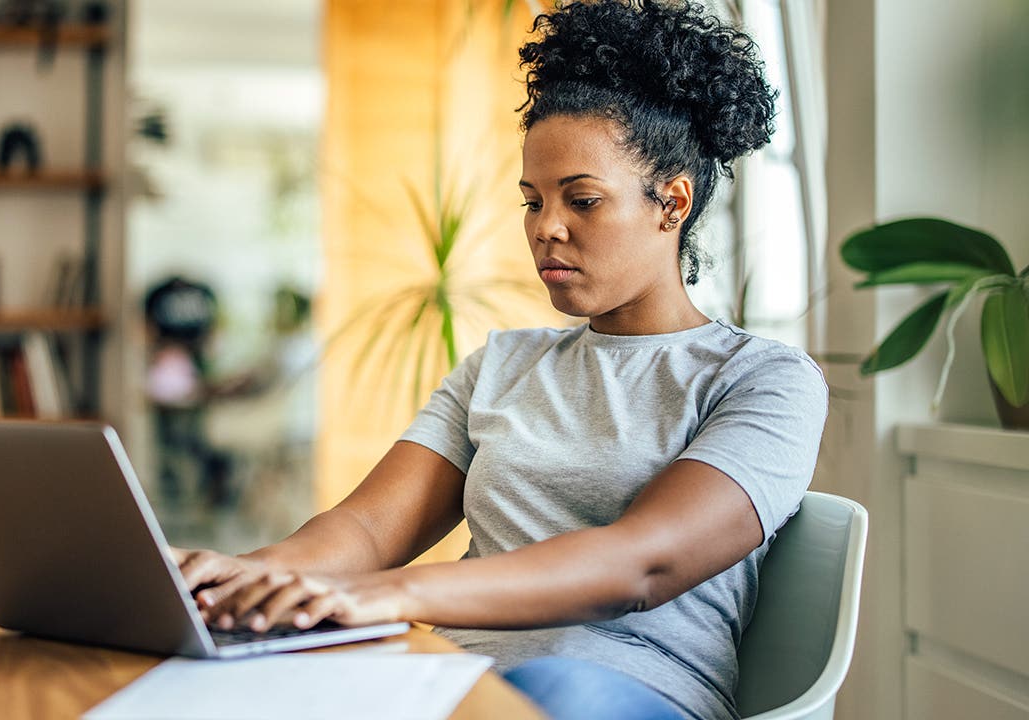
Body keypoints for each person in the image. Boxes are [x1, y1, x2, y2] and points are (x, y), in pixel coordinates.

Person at [170, 2, 827, 718]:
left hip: (623, 690)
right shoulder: (503, 366)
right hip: (449, 681)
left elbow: (640, 562)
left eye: (582, 200)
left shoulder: (762, 380)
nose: (546, 228)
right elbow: (366, 531)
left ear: (671, 203)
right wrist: (240, 574)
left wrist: (394, 593)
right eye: (532, 200)